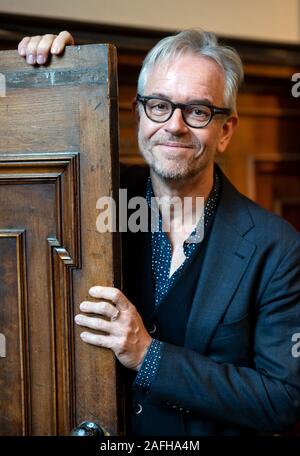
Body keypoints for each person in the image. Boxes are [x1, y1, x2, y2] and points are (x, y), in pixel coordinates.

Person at [18, 29, 300, 436]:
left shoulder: (278, 247)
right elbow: (28, 165)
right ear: (138, 116)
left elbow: (283, 399)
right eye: (159, 105)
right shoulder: (85, 196)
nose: (175, 126)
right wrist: (55, 74)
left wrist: (149, 356)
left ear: (225, 130)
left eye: (198, 111)